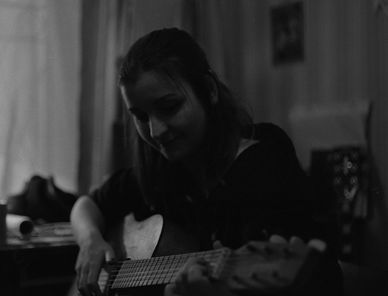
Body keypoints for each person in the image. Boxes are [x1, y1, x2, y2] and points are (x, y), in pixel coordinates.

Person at [70, 27, 342, 296]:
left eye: (169, 107)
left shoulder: (264, 163)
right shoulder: (161, 168)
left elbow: (318, 276)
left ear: (209, 90)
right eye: (140, 116)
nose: (155, 132)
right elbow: (86, 205)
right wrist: (90, 241)